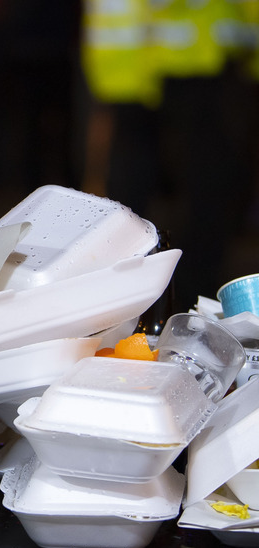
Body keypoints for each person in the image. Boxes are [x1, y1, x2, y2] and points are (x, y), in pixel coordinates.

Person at [81, 0, 259, 313]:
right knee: (202, 196)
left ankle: (140, 303)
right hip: (190, 62)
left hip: (141, 64)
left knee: (140, 201)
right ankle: (181, 305)